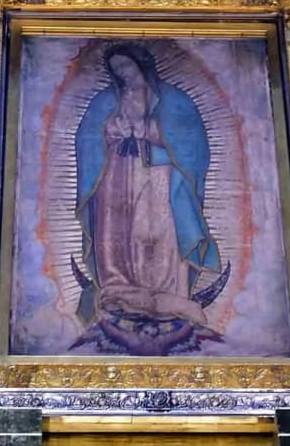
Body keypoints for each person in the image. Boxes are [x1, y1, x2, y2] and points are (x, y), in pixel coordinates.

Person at [72, 43, 223, 336]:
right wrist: (109, 132)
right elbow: (86, 139)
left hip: (160, 174)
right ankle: (119, 287)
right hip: (116, 174)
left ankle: (167, 292)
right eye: (116, 69)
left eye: (126, 66)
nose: (122, 73)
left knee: (160, 230)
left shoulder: (173, 100)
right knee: (118, 229)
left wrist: (153, 131)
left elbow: (192, 143)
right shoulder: (105, 101)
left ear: (141, 64)